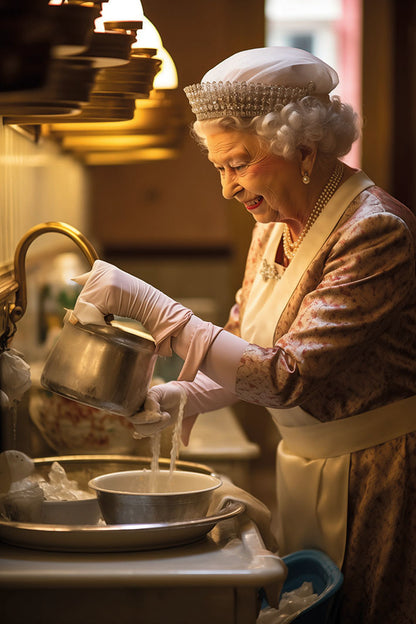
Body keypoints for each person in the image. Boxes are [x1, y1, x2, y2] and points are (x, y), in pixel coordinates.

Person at [72, 47, 416, 623]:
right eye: (218, 167)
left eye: (238, 163)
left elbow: (286, 376)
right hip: (307, 464)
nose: (227, 188)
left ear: (303, 149)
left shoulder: (376, 231)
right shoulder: (276, 222)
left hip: (382, 476)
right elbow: (243, 343)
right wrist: (191, 393)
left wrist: (161, 311)